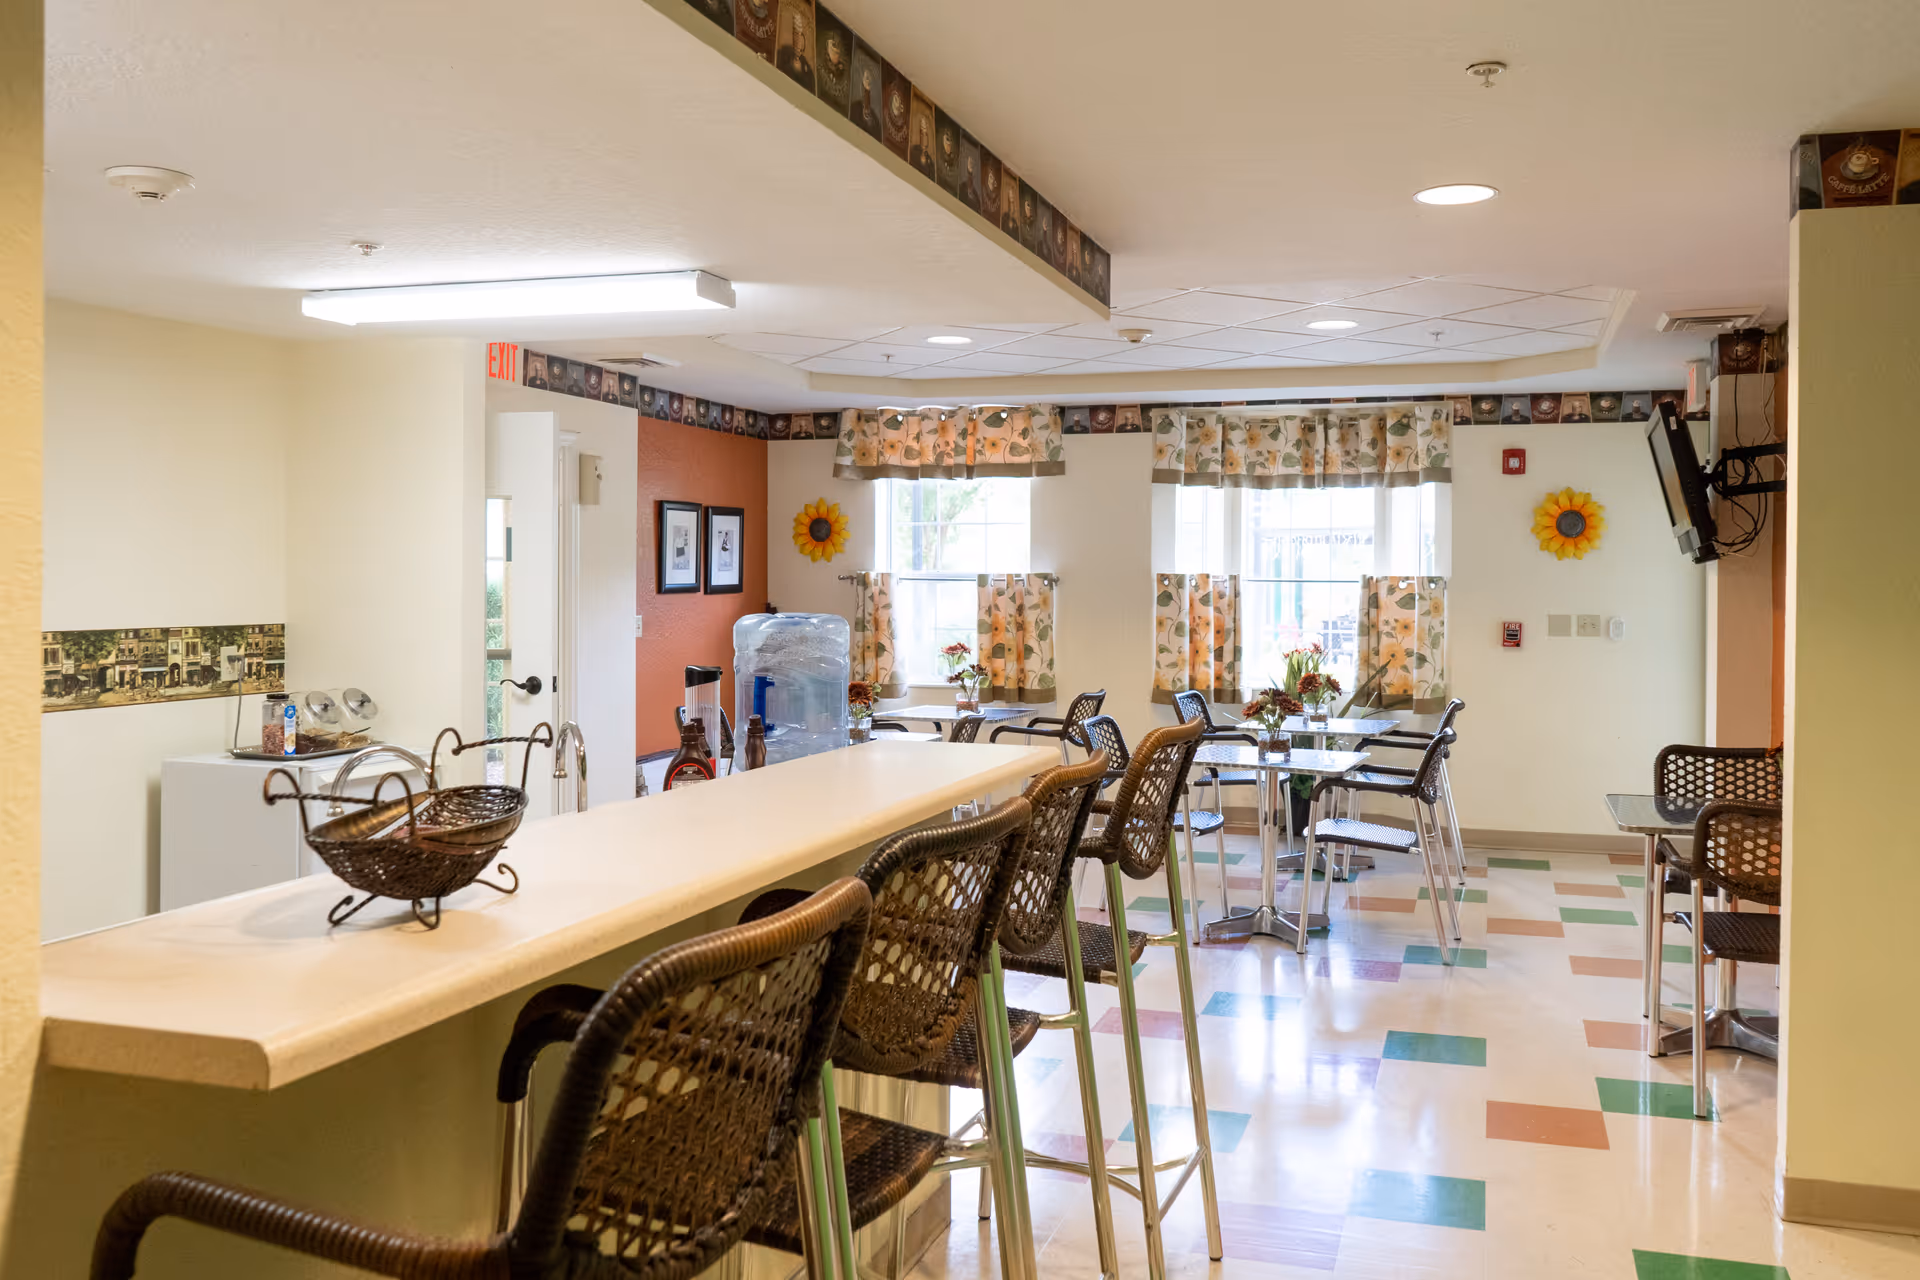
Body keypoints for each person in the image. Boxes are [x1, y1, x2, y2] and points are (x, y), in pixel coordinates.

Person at [776, 12, 812, 82]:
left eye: (801, 50)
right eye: (796, 38)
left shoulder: (805, 64)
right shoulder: (783, 54)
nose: (799, 51)